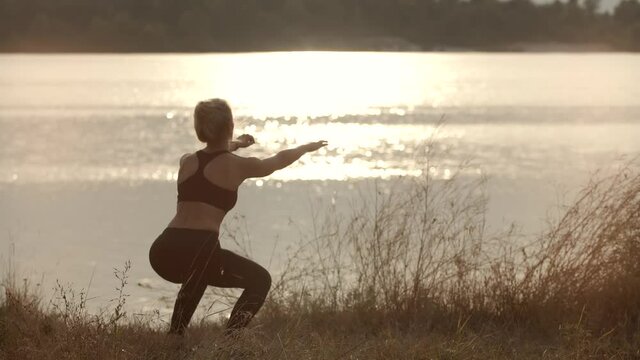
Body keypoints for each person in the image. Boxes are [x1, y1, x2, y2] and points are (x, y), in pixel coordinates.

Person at [149, 98, 327, 335]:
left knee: (199, 272)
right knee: (259, 280)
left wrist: (238, 143)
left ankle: (176, 337)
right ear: (229, 126)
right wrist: (305, 148)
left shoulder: (187, 161)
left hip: (163, 251)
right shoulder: (237, 166)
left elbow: (214, 152)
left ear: (200, 130)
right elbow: (277, 161)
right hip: (199, 248)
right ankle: (229, 340)